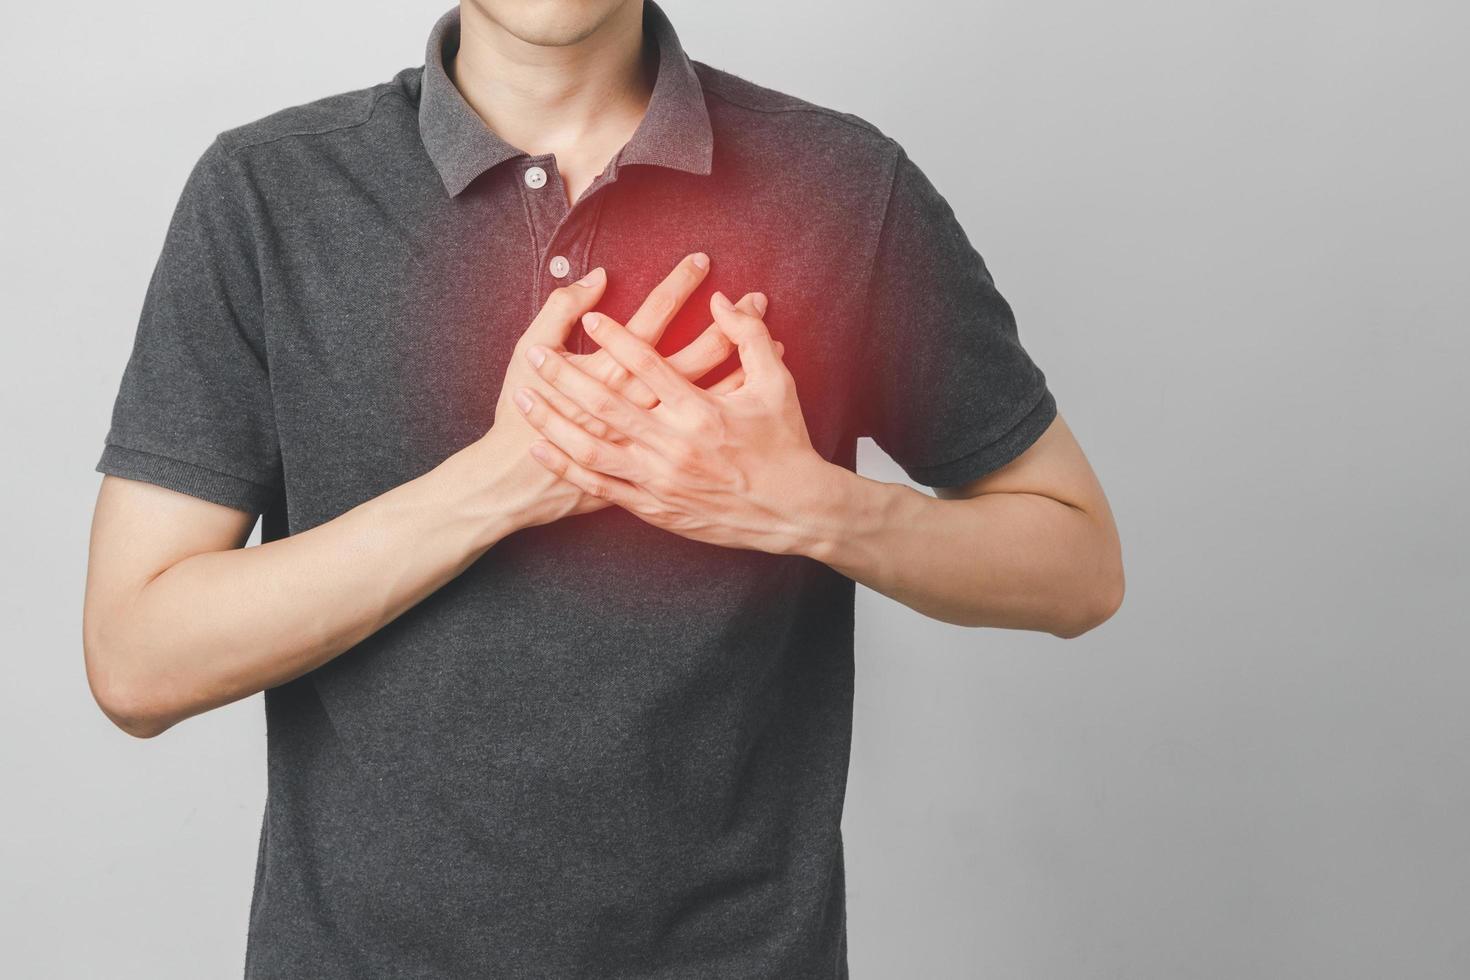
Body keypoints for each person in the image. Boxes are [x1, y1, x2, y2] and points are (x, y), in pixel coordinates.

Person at [82, 1, 1124, 975]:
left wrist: (809, 504)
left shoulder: (845, 186)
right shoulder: (268, 193)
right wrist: (495, 484)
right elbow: (137, 659)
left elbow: (1077, 565)